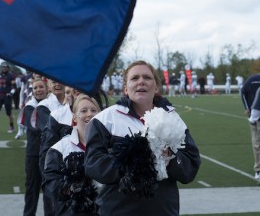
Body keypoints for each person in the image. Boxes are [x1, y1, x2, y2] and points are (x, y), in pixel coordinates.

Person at [84, 60, 201, 215]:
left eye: (147, 77)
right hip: (117, 210)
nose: (141, 82)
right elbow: (93, 164)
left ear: (156, 87)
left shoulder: (173, 120)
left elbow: (190, 166)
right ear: (125, 88)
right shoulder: (106, 119)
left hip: (163, 210)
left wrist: (171, 158)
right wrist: (130, 161)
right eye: (134, 78)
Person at [43, 94, 102, 215]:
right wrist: (71, 187)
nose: (89, 114)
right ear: (74, 118)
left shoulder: (110, 146)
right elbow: (50, 185)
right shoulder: (58, 149)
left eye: (94, 110)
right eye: (84, 110)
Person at [22, 77, 52, 216]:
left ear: (47, 89)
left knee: (49, 191)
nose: (38, 90)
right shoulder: (30, 106)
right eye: (35, 88)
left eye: (41, 87)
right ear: (32, 91)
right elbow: (37, 127)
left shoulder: (52, 104)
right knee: (31, 190)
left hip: (49, 154)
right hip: (34, 154)